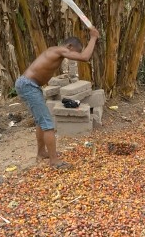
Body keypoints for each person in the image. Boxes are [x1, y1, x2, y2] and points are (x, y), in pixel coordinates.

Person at [15, 27, 100, 169]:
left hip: (30, 85)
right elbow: (85, 57)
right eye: (75, 52)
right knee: (48, 124)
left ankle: (42, 152)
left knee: (40, 121)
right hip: (28, 85)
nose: (74, 56)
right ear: (69, 46)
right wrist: (94, 37)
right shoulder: (59, 50)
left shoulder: (55, 51)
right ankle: (54, 161)